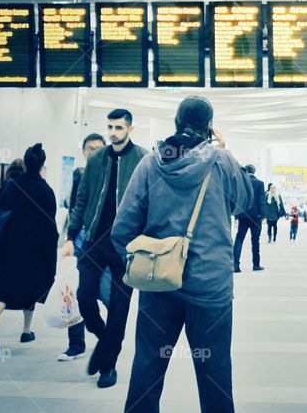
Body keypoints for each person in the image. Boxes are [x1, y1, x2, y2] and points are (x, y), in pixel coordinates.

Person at [112, 96, 253, 413]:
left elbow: (122, 229)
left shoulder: (151, 163)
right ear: (209, 129)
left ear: (175, 124)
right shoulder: (222, 161)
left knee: (147, 368)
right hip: (210, 289)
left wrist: (141, 264)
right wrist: (222, 149)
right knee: (215, 374)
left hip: (158, 284)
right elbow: (244, 203)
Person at [61, 109, 147, 389]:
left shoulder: (143, 159)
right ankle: (104, 340)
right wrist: (71, 235)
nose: (113, 132)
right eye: (110, 126)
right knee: (84, 297)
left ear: (130, 129)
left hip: (126, 245)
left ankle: (108, 366)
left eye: (119, 127)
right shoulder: (97, 159)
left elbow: (150, 200)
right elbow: (83, 198)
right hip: (95, 240)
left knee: (119, 310)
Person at [0, 143, 58, 351]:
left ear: (25, 162)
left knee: (3, 290)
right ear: (42, 164)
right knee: (31, 288)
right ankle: (26, 332)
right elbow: (50, 226)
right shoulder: (46, 190)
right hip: (33, 250)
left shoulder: (11, 185)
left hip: (8, 247)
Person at [58, 133, 107, 362]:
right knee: (74, 293)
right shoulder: (79, 176)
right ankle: (76, 344)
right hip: (79, 243)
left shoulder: (111, 175)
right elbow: (73, 207)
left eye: (98, 148)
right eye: (89, 148)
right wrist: (70, 238)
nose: (93, 152)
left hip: (106, 245)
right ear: (83, 151)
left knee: (109, 294)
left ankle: (108, 340)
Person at [233, 164, 266, 272]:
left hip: (243, 215)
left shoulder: (240, 182)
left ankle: (235, 265)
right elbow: (261, 200)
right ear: (254, 171)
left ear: (245, 171)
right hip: (256, 216)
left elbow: (238, 199)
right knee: (255, 240)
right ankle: (256, 265)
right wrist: (263, 215)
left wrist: (236, 215)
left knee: (239, 239)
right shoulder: (260, 183)